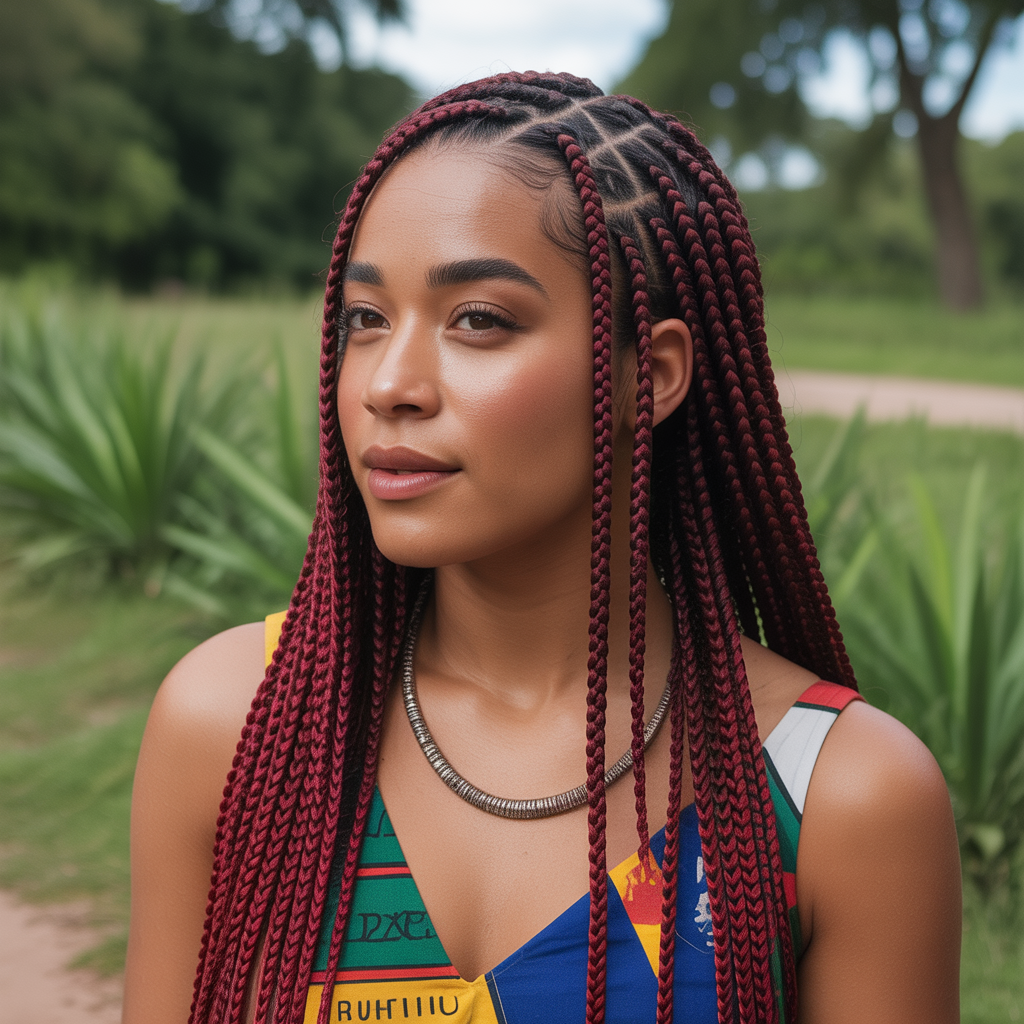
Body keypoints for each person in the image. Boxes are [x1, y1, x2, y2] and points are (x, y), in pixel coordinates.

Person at [123, 72, 961, 1024]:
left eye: (478, 319)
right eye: (366, 319)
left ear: (650, 376)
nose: (389, 383)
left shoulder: (834, 799)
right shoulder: (243, 727)